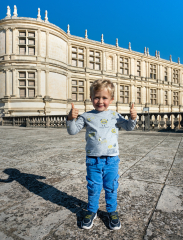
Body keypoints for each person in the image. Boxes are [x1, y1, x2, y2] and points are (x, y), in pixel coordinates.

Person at [66, 79, 137, 230]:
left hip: (112, 160)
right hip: (93, 160)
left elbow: (129, 128)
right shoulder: (86, 116)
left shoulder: (115, 115)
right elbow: (72, 131)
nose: (100, 101)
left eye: (104, 98)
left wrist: (133, 118)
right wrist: (70, 118)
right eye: (96, 97)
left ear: (111, 99)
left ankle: (112, 211)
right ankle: (92, 210)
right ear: (91, 98)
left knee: (111, 187)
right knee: (93, 188)